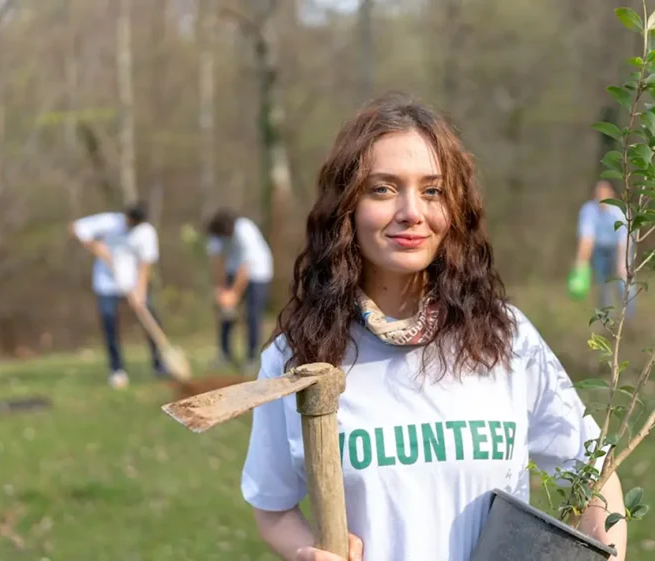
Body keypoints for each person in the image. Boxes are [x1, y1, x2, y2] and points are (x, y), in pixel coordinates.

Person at [240, 93, 628, 561]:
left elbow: (592, 470)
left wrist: (608, 552)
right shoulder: (298, 357)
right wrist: (309, 550)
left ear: (455, 209)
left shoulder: (506, 337)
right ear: (346, 208)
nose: (412, 212)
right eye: (382, 189)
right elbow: (272, 505)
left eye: (432, 190)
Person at [70, 201, 168, 388]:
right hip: (106, 283)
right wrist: (94, 246)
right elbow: (76, 228)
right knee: (108, 320)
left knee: (152, 318)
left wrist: (140, 291)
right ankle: (117, 369)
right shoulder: (110, 222)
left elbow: (146, 264)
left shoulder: (146, 233)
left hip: (133, 282)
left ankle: (159, 364)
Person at [204, 208, 274, 368]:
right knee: (226, 313)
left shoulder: (244, 230)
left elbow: (246, 268)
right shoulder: (216, 234)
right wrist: (222, 289)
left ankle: (251, 356)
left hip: (258, 272)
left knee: (252, 314)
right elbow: (217, 261)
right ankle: (224, 354)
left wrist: (234, 294)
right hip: (233, 270)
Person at [571, 179, 635, 318]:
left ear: (611, 193)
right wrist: (580, 262)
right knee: (603, 284)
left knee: (623, 282)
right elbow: (586, 239)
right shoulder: (588, 210)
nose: (601, 195)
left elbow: (623, 240)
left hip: (619, 248)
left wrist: (621, 263)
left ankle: (629, 319)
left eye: (604, 191)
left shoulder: (620, 211)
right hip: (599, 249)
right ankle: (606, 320)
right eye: (598, 192)